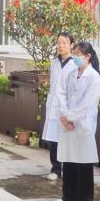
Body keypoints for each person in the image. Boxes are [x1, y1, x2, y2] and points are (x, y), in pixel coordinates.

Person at [53, 41, 100, 201]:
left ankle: (85, 198)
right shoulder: (71, 74)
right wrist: (64, 115)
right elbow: (60, 93)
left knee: (83, 162)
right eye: (73, 54)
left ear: (88, 56)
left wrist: (71, 118)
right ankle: (69, 196)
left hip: (82, 124)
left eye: (78, 54)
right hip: (68, 123)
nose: (75, 57)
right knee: (69, 160)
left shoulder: (94, 77)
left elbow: (88, 103)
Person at [41, 32, 75, 181]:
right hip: (53, 105)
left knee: (66, 139)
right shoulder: (54, 63)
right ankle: (55, 169)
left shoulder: (75, 63)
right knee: (53, 138)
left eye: (64, 43)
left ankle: (67, 169)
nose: (61, 46)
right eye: (59, 43)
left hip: (67, 106)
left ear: (71, 45)